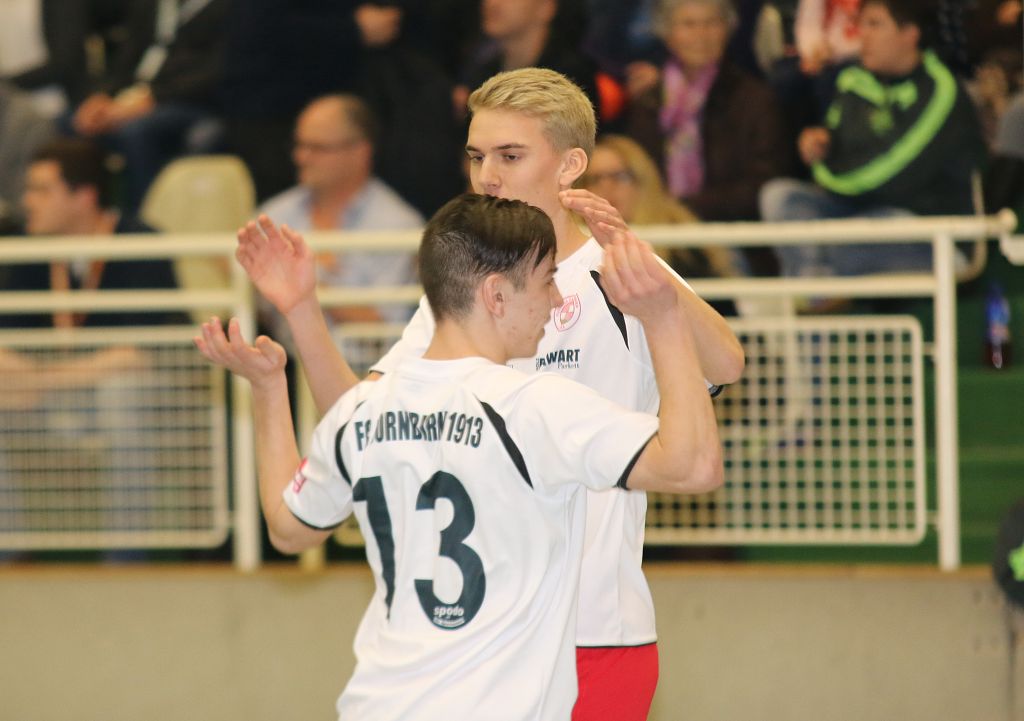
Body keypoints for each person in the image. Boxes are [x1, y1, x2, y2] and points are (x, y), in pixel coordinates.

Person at [241, 67, 744, 720]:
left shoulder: (621, 272)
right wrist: (305, 313)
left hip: (594, 627)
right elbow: (367, 423)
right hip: (481, 640)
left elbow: (727, 361)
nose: (488, 176)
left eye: (510, 156)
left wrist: (650, 282)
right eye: (477, 157)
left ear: (570, 166)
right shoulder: (466, 293)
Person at [759, 0, 986, 278]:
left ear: (910, 34)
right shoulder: (853, 78)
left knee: (851, 240)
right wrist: (822, 146)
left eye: (874, 24)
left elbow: (893, 173)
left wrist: (828, 174)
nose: (862, 34)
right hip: (855, 211)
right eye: (861, 24)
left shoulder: (941, 89)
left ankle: (814, 282)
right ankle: (816, 284)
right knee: (780, 197)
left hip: (926, 228)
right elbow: (835, 145)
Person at [625, 0, 792, 275]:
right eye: (688, 24)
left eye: (711, 23)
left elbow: (764, 182)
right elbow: (638, 172)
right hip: (659, 233)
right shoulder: (649, 102)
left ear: (727, 30)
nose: (701, 34)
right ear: (668, 34)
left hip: (736, 239)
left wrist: (685, 208)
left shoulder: (755, 99)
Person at [257, 94, 423, 328]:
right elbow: (253, 307)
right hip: (284, 350)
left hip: (363, 354)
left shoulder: (399, 226)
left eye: (317, 148)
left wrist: (304, 285)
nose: (301, 157)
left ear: (360, 151)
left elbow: (385, 329)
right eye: (299, 145)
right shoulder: (273, 215)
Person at [1, 137, 187, 328]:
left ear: (84, 196)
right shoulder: (27, 250)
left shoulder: (143, 246)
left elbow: (150, 338)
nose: (27, 201)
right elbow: (9, 331)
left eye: (42, 190)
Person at [70, 0, 230, 213]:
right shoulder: (152, 5)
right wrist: (101, 97)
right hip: (135, 94)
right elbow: (126, 59)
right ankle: (90, 219)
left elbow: (216, 70)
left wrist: (153, 98)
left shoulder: (227, 8)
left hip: (189, 100)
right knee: (71, 122)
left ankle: (142, 220)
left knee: (136, 132)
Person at [580, 133, 739, 279]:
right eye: (595, 179)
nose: (606, 188)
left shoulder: (682, 244)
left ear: (644, 181)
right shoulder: (575, 247)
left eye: (619, 176)